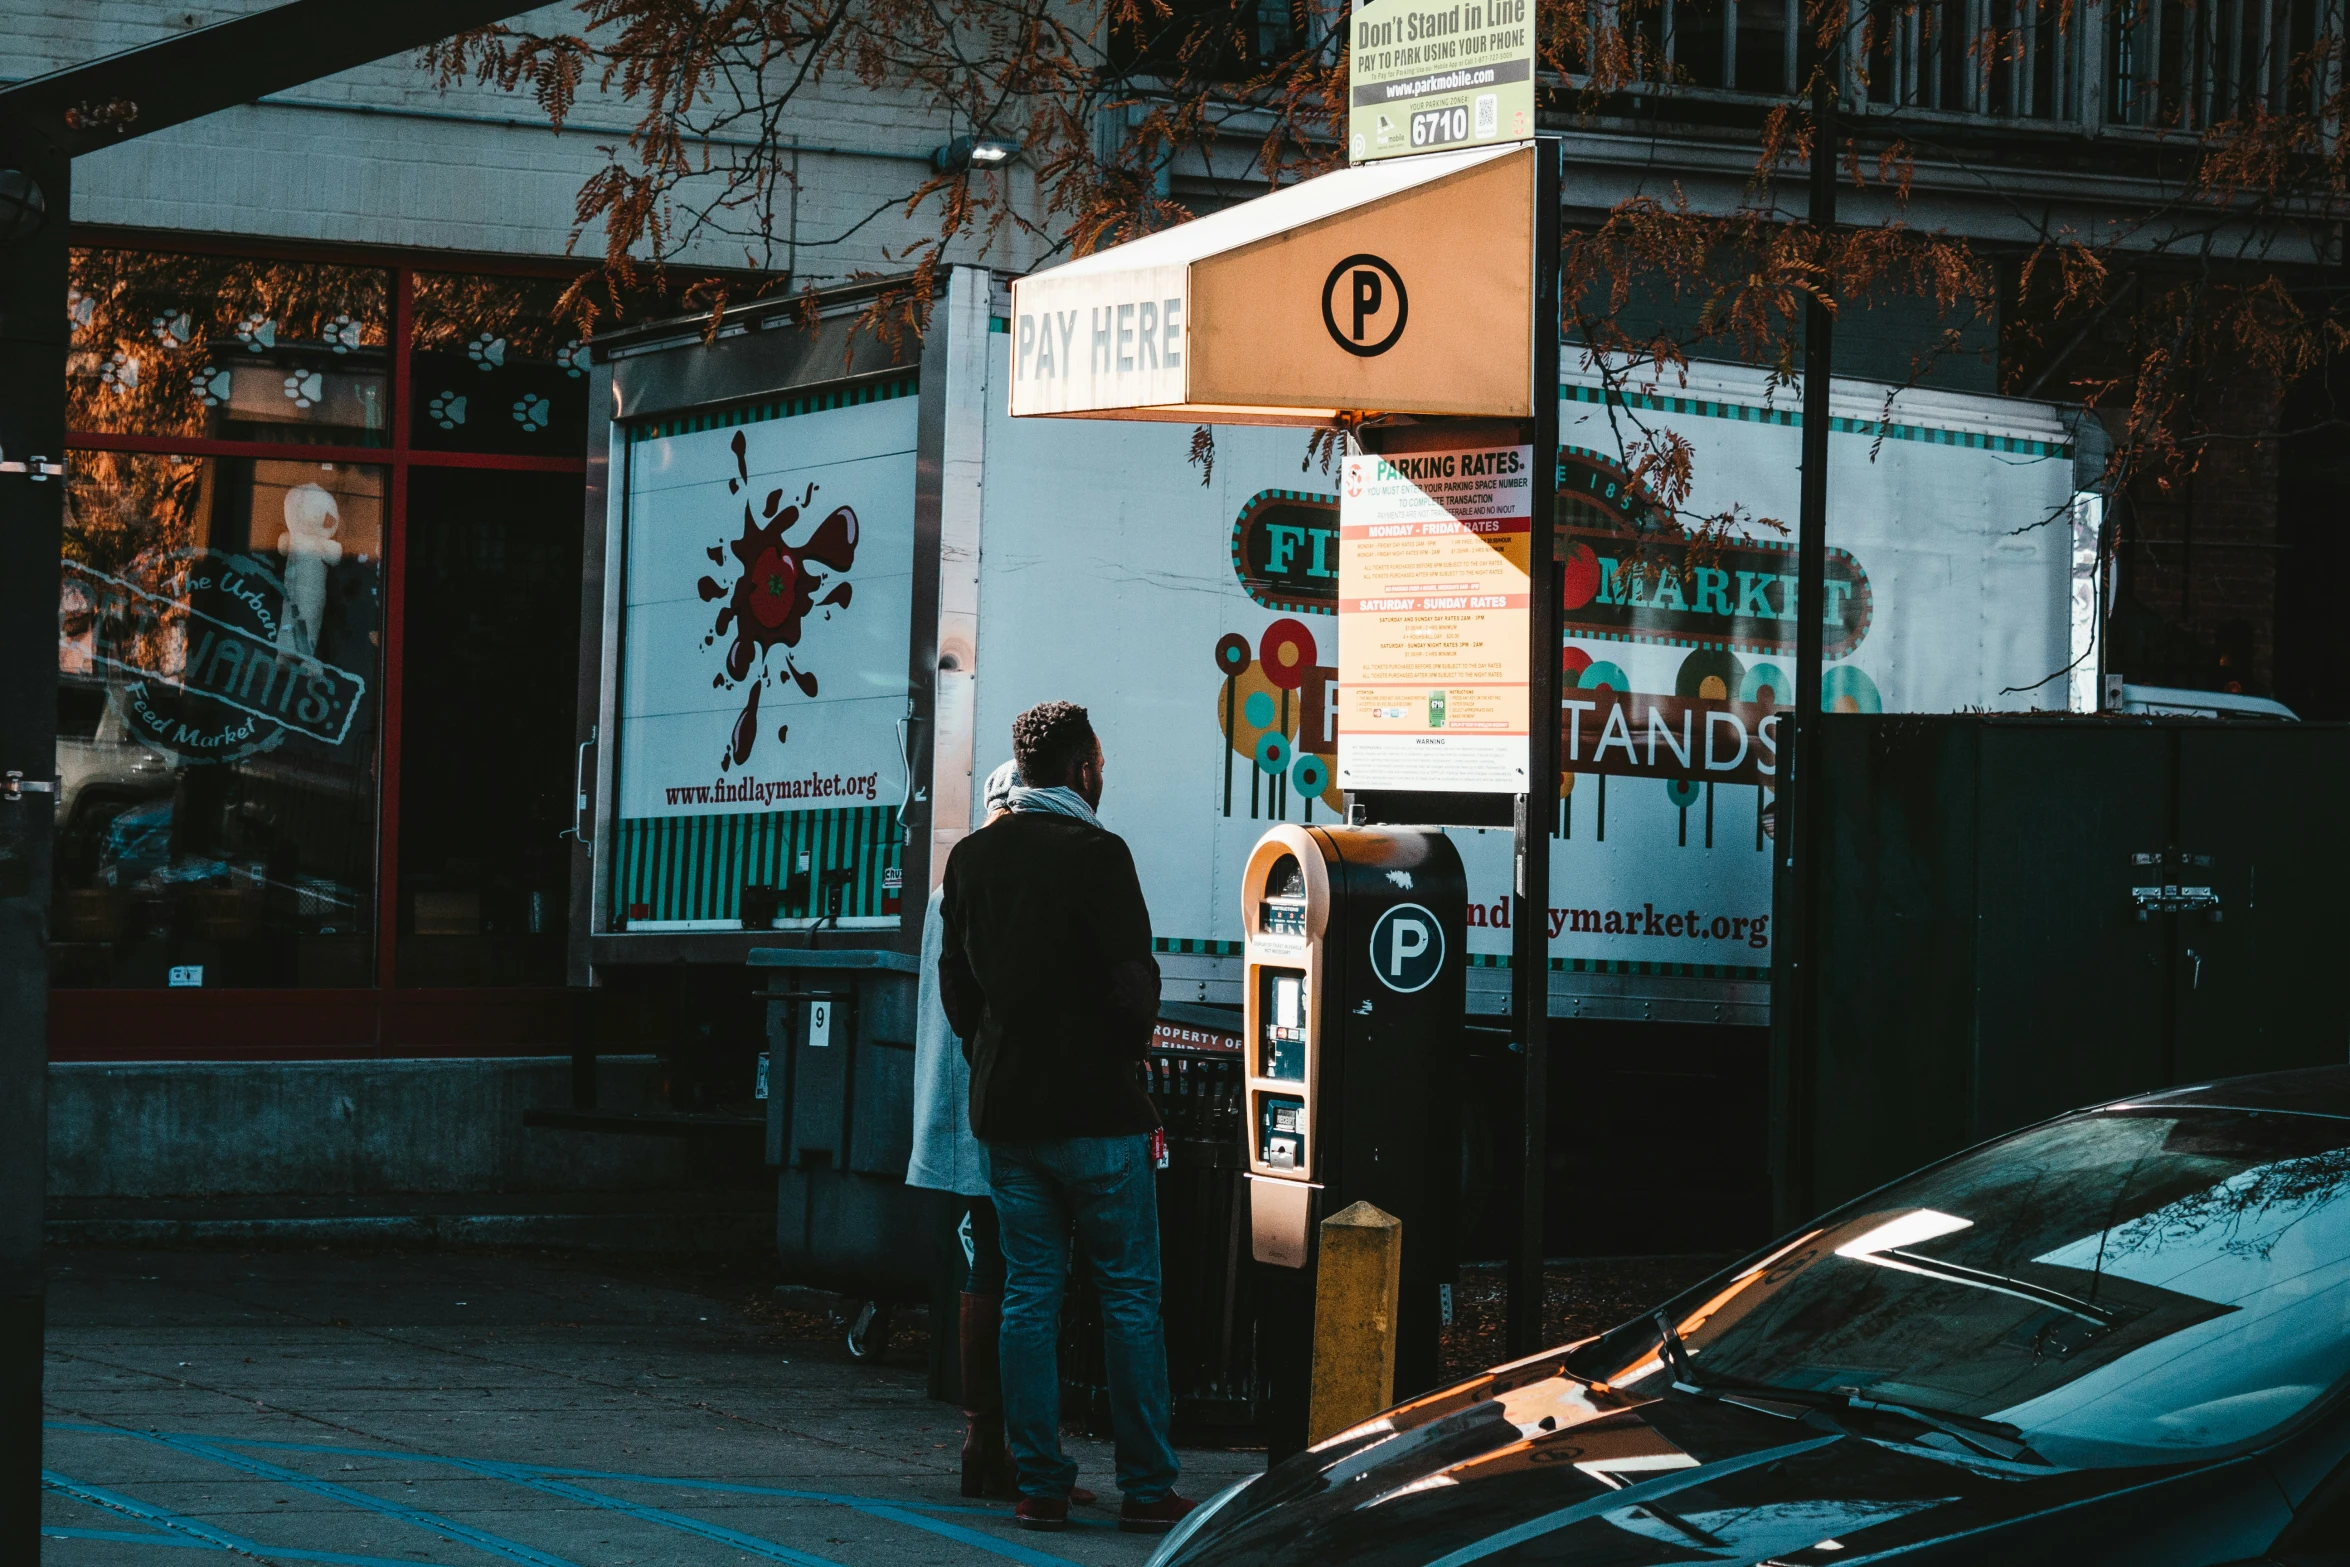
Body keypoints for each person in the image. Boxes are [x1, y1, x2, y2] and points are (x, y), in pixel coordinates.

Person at [937, 701, 1195, 1535]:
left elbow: (957, 988)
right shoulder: (1099, 853)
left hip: (1009, 1115)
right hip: (1098, 1115)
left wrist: (995, 1053)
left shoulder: (972, 859)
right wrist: (1121, 1054)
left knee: (1029, 1297)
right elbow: (1133, 985)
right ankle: (1147, 1486)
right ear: (1084, 768)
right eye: (1101, 761)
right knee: (1127, 1298)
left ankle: (1039, 1481)